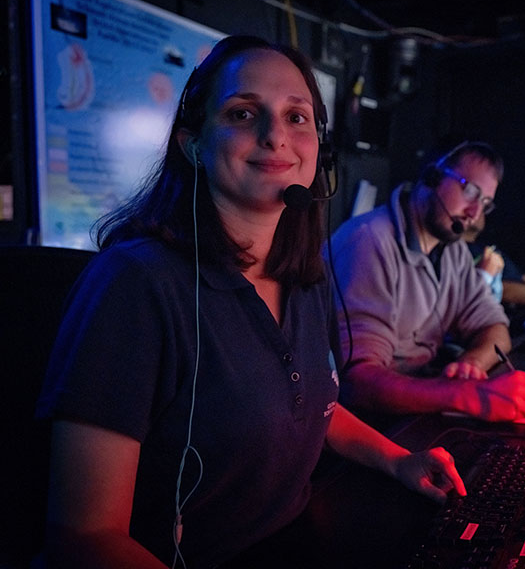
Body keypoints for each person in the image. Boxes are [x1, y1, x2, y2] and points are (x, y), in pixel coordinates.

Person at [35, 35, 465, 569]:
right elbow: (85, 538)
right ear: (192, 144)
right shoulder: (135, 286)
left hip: (295, 539)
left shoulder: (304, 277)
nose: (275, 137)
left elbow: (311, 405)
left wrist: (399, 461)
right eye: (243, 113)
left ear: (319, 150)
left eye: (297, 117)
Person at [327, 141, 525, 422]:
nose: (474, 213)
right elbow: (356, 384)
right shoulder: (369, 242)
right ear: (432, 176)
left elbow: (495, 329)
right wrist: (466, 395)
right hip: (368, 422)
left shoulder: (452, 251)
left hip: (416, 407)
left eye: (485, 204)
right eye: (470, 191)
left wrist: (471, 365)